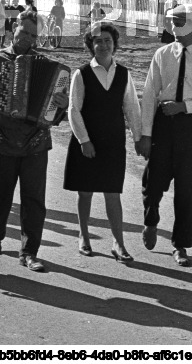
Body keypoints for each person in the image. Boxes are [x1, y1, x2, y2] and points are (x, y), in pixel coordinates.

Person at [0, 11, 69, 272]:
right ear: (14, 28)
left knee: (34, 199)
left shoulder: (46, 65)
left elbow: (56, 112)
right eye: (24, 33)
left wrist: (61, 104)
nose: (28, 39)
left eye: (33, 36)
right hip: (1, 137)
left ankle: (29, 251)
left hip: (36, 142)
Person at [136, 3, 192, 267]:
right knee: (153, 182)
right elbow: (150, 94)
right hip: (164, 125)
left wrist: (186, 106)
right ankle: (151, 221)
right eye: (172, 22)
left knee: (187, 189)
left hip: (191, 128)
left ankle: (181, 245)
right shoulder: (162, 54)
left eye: (180, 23)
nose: (174, 28)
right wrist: (146, 134)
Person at [64, 21, 140, 264]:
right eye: (98, 41)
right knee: (85, 191)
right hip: (87, 141)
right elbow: (73, 110)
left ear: (114, 44)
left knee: (112, 193)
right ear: (91, 45)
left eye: (108, 41)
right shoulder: (82, 74)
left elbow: (132, 108)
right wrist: (84, 140)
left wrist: (138, 138)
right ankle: (84, 236)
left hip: (113, 141)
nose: (104, 45)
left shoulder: (124, 74)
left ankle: (118, 243)